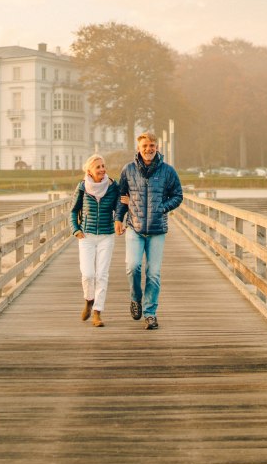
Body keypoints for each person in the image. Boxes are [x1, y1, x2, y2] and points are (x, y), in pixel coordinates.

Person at [115, 132, 183, 330]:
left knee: (153, 273)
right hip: (134, 228)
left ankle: (150, 313)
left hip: (157, 229)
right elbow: (122, 196)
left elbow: (178, 195)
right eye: (145, 145)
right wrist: (118, 218)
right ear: (138, 148)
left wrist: (162, 207)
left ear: (157, 147)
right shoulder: (128, 170)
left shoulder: (167, 171)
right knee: (132, 266)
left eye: (152, 145)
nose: (148, 149)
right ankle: (135, 298)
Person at [71, 154, 119, 327]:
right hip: (87, 236)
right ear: (89, 170)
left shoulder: (113, 186)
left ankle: (97, 312)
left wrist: (119, 218)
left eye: (103, 166)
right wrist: (75, 230)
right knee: (88, 274)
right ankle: (88, 300)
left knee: (102, 275)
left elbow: (119, 207)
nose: (102, 169)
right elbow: (73, 210)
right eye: (98, 167)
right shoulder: (82, 187)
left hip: (106, 235)